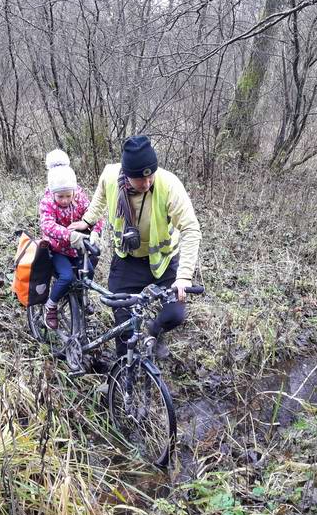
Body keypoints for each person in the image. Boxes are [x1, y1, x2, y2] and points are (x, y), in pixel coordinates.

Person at [68, 135, 201, 357]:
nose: (147, 183)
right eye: (140, 179)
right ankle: (122, 372)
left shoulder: (169, 185)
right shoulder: (111, 175)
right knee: (123, 320)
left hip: (164, 262)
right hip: (128, 260)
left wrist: (184, 276)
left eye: (150, 177)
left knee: (174, 315)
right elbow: (101, 194)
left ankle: (154, 332)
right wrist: (88, 220)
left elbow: (190, 229)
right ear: (127, 174)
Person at [39, 149, 103, 330]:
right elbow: (47, 226)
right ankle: (51, 305)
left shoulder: (80, 197)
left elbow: (95, 215)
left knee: (88, 273)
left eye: (69, 195)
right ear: (53, 193)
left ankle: (81, 299)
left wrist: (95, 231)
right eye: (61, 196)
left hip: (78, 249)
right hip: (57, 249)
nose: (65, 200)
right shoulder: (47, 203)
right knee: (66, 277)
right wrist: (69, 235)